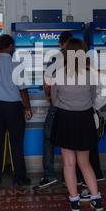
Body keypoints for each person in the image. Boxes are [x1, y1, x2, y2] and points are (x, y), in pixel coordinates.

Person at [50, 38, 106, 211]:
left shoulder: (58, 74)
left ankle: (74, 202)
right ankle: (96, 199)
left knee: (69, 163)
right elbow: (93, 99)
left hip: (64, 119)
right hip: (84, 119)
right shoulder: (90, 75)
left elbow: (54, 100)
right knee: (85, 163)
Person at [0, 34, 33, 188]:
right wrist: (28, 108)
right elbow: (23, 91)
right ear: (10, 46)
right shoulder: (17, 66)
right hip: (14, 108)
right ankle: (19, 178)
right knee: (16, 143)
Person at [35, 31, 73, 190]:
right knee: (72, 141)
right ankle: (70, 177)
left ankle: (49, 175)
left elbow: (47, 84)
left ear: (60, 43)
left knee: (49, 139)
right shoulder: (81, 61)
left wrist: (50, 97)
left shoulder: (56, 61)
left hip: (57, 106)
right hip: (76, 109)